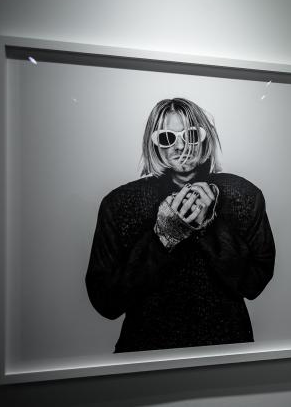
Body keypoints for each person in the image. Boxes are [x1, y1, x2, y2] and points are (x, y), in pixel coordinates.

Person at [85, 97, 276, 353]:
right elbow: (106, 301)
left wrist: (210, 227)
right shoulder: (120, 203)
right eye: (167, 138)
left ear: (205, 138)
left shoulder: (244, 195)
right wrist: (163, 237)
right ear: (154, 144)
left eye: (191, 135)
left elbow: (253, 283)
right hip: (146, 358)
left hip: (227, 354)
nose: (181, 145)